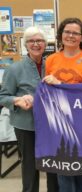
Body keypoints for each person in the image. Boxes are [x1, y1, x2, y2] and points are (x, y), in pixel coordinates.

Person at [44, 17, 82, 192]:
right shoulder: (51, 60)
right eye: (67, 32)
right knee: (64, 173)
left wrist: (60, 85)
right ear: (61, 35)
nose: (71, 36)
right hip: (58, 123)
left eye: (76, 33)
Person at [0, 26, 59, 192]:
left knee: (53, 165)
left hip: (50, 126)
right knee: (30, 166)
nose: (36, 44)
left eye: (39, 40)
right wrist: (17, 100)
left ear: (45, 44)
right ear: (26, 44)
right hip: (26, 125)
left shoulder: (52, 66)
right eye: (31, 41)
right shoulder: (14, 69)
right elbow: (2, 97)